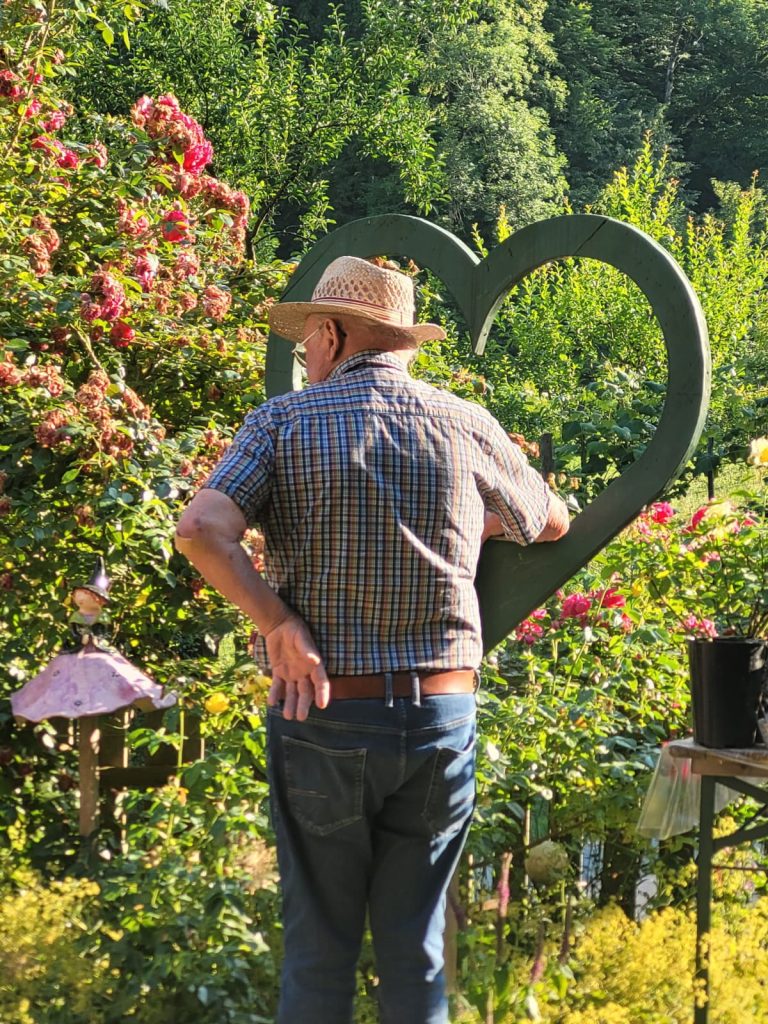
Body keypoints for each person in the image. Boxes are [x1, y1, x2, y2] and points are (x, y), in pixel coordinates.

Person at [174, 256, 569, 1024]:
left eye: (305, 344)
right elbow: (548, 522)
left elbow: (199, 530)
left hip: (326, 714)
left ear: (330, 333)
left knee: (320, 951)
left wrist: (279, 624)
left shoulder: (283, 422)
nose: (304, 357)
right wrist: (466, 527)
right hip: (440, 719)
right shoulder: (464, 422)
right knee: (415, 950)